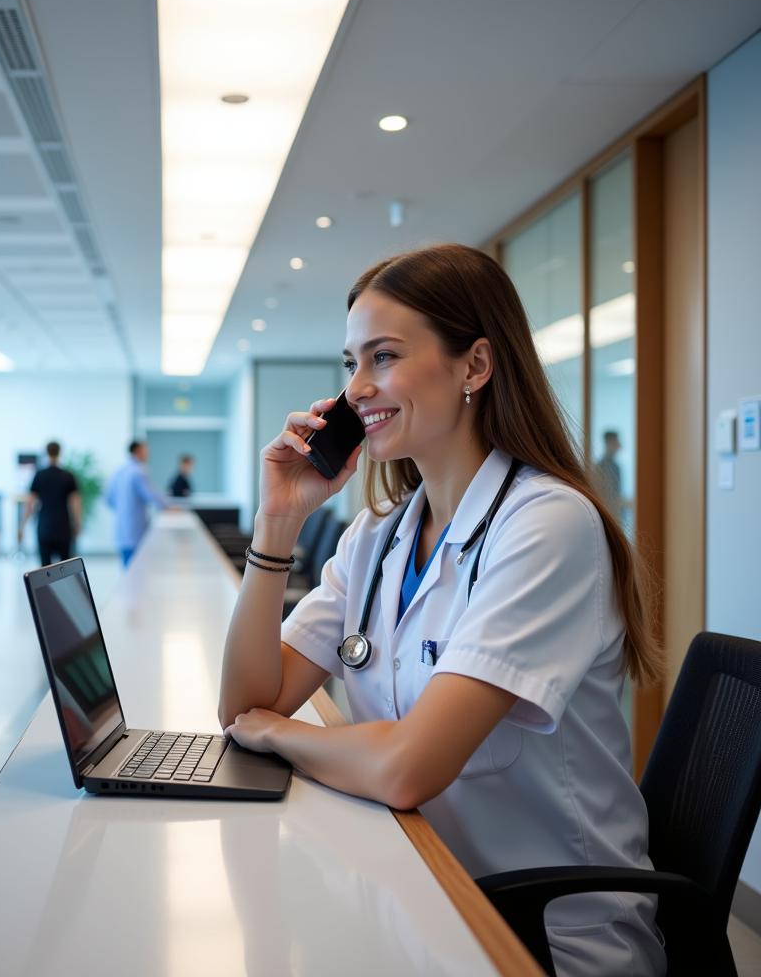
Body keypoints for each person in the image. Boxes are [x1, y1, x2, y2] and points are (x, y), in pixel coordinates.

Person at [219, 245, 665, 977]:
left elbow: (406, 770)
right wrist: (277, 525)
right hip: (415, 887)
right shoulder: (379, 534)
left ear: (475, 367)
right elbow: (242, 706)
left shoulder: (546, 525)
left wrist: (280, 735)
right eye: (350, 364)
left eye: (384, 357)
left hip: (538, 937)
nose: (357, 389)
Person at [18, 441, 82, 566]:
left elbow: (29, 504)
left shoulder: (39, 475)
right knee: (65, 568)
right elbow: (75, 503)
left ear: (46, 452)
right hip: (63, 526)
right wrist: (78, 524)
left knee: (45, 569)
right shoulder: (68, 476)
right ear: (60, 452)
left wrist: (22, 526)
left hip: (44, 526)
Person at [105, 440, 168, 568]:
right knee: (137, 567)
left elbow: (108, 498)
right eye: (146, 450)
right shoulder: (139, 471)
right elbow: (152, 495)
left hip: (122, 526)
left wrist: (123, 509)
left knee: (127, 565)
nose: (148, 454)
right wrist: (168, 506)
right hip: (136, 527)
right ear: (138, 451)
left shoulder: (119, 471)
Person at [593, 430, 624, 521]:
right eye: (616, 442)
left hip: (614, 515)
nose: (619, 445)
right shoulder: (600, 467)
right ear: (609, 443)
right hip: (606, 515)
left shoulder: (615, 466)